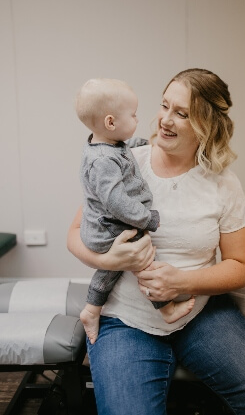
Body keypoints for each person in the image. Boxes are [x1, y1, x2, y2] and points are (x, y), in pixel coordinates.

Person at [68, 69, 245, 415]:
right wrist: (110, 261)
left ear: (207, 124)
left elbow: (241, 267)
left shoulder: (224, 184)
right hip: (126, 321)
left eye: (182, 113)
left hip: (200, 314)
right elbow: (74, 235)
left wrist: (181, 282)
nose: (165, 120)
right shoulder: (122, 161)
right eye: (165, 106)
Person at [75, 78, 195, 344]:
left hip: (107, 224)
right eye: (132, 115)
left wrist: (141, 144)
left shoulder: (108, 144)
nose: (138, 119)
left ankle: (92, 309)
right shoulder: (103, 162)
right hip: (110, 227)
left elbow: (124, 150)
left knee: (117, 269)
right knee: (144, 262)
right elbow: (115, 201)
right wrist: (146, 218)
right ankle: (165, 308)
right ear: (110, 122)